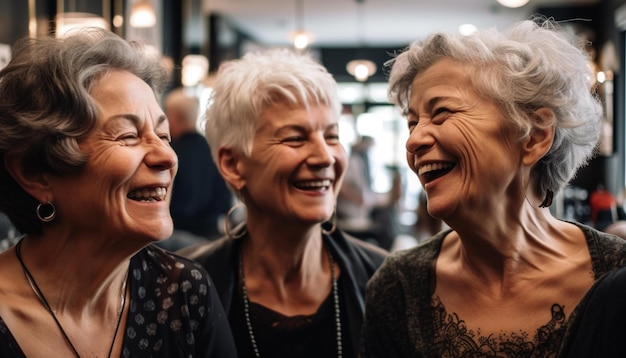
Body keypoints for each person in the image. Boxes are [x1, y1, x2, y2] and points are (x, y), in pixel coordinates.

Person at [359, 18, 626, 358]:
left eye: (442, 114)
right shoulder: (399, 288)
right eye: (412, 123)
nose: (414, 141)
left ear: (534, 136)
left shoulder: (617, 275)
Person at [0, 28, 236, 357]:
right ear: (34, 173)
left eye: (164, 135)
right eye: (127, 135)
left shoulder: (183, 293)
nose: (167, 156)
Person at [178, 48, 388, 358]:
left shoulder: (385, 281)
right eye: (295, 138)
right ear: (234, 164)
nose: (325, 157)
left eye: (331, 136)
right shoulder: (184, 289)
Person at [159, 87, 233, 250]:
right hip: (213, 237)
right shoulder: (214, 151)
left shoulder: (169, 155)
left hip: (179, 237)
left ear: (173, 116)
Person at [337, 135, 401, 250]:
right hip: (350, 216)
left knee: (388, 215)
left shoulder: (365, 163)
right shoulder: (352, 162)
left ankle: (388, 248)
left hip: (364, 210)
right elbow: (341, 186)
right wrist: (358, 199)